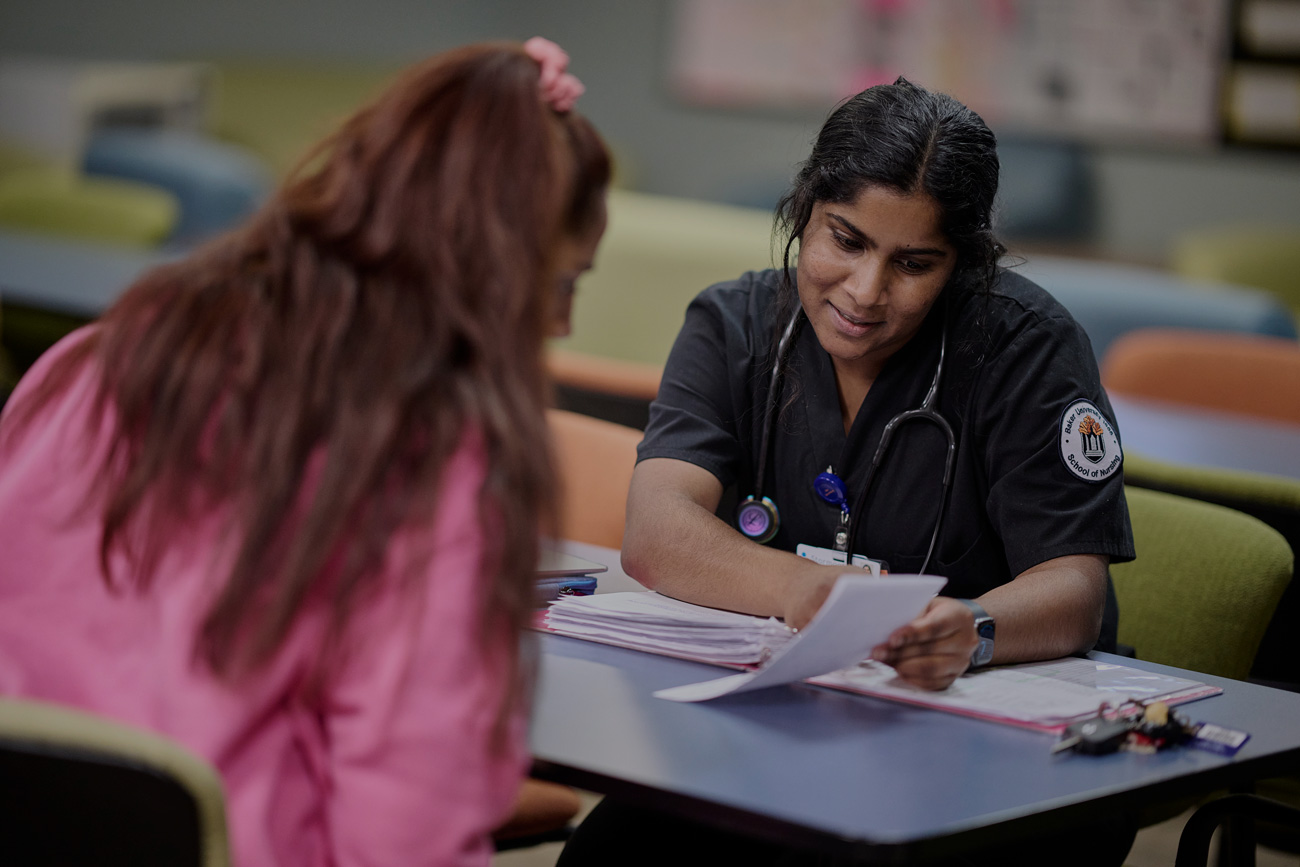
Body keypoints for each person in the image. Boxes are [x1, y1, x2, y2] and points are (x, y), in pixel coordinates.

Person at [0, 38, 609, 867]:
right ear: (495, 270)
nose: (562, 326)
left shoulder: (93, 361)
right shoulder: (429, 468)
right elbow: (402, 832)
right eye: (564, 284)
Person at [558, 78, 1135, 866]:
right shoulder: (732, 325)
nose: (866, 293)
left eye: (915, 263)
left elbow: (1073, 592)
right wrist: (810, 595)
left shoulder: (1028, 350)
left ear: (962, 263)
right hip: (788, 723)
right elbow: (658, 534)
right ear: (803, 211)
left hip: (975, 748)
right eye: (847, 240)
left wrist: (975, 631)